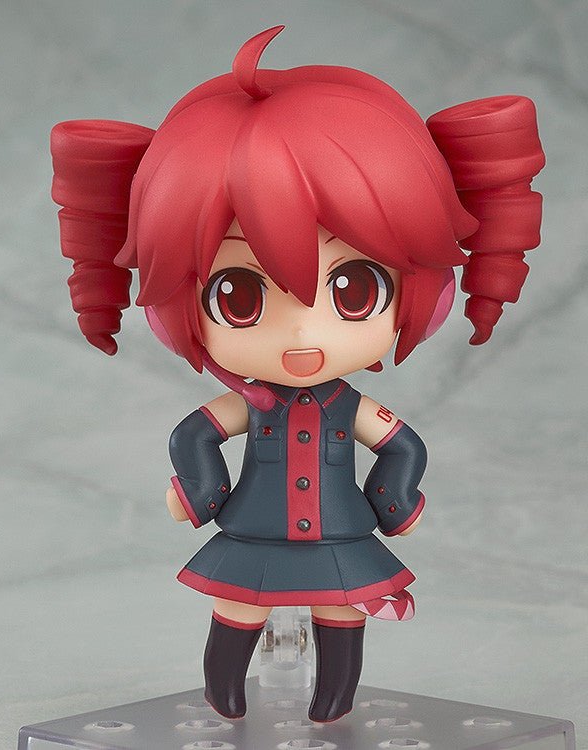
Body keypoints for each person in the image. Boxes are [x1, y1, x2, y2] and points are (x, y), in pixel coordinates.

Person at [51, 25, 545, 723]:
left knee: (342, 611)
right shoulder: (250, 403)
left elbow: (403, 447)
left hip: (342, 534)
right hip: (252, 531)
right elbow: (195, 434)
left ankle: (333, 703)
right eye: (239, 296)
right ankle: (225, 694)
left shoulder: (351, 404)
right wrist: (202, 491)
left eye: (352, 290)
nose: (304, 333)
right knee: (237, 607)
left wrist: (393, 501)